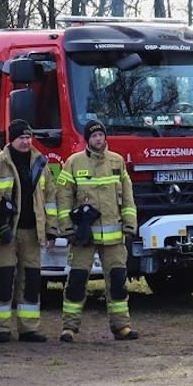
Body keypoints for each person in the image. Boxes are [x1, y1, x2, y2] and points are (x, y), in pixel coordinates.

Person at [53, 120, 141, 343]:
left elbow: (128, 198)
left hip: (114, 238)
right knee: (76, 281)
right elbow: (63, 198)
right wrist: (68, 230)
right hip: (83, 236)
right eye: (94, 136)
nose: (98, 139)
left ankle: (122, 326)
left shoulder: (117, 162)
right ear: (87, 139)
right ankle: (69, 328)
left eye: (101, 135)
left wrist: (130, 224)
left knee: (118, 282)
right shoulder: (73, 163)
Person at [0, 119, 53, 342]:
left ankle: (29, 328)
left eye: (29, 137)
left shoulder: (40, 162)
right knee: (3, 279)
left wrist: (52, 230)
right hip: (5, 233)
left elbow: (50, 199)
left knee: (31, 281)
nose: (26, 141)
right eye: (21, 137)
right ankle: (1, 328)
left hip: (32, 232)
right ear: (11, 139)